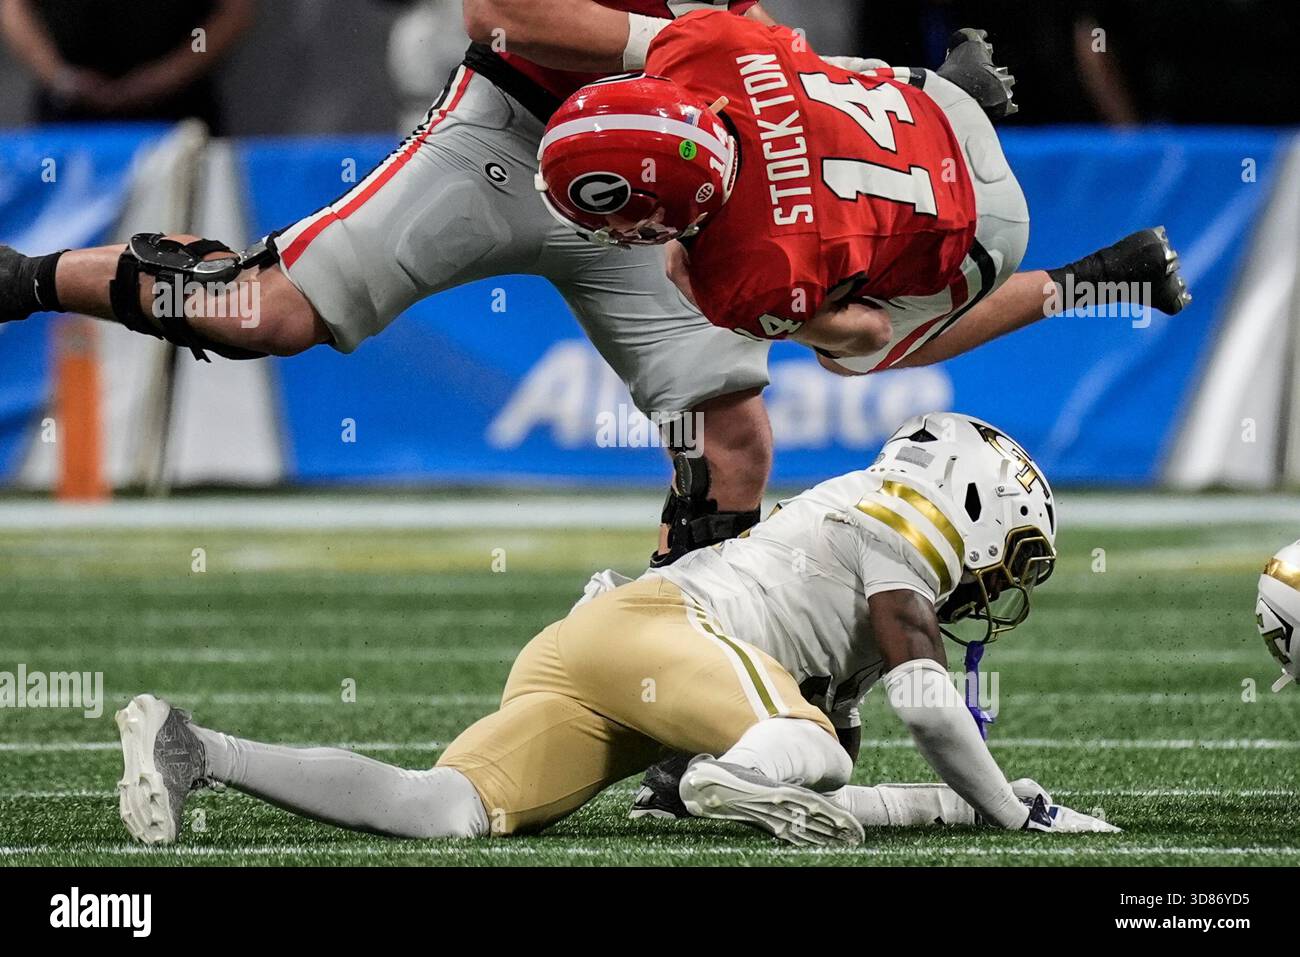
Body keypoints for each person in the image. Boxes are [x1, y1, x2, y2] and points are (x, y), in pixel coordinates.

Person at [115, 412, 1116, 847]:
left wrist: (945, 810)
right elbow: (932, 717)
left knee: (444, 809)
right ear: (971, 501)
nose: (997, 581)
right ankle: (741, 769)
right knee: (802, 751)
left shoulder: (839, 546)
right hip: (664, 631)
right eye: (1012, 550)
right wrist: (1007, 810)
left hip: (606, 652)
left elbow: (818, 767)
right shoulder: (898, 529)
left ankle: (201, 749)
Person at [537, 14, 1191, 379]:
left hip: (985, 219)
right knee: (790, 60)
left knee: (849, 360)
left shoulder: (741, 280)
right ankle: (954, 86)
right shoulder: (699, 47)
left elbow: (867, 331)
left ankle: (1100, 276)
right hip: (925, 108)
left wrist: (698, 277)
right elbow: (785, 49)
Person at [0, 0, 255, 132]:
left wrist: (167, 76)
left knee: (182, 222)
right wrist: (58, 75)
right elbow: (13, 7)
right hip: (68, 116)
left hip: (178, 116)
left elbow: (233, 11)